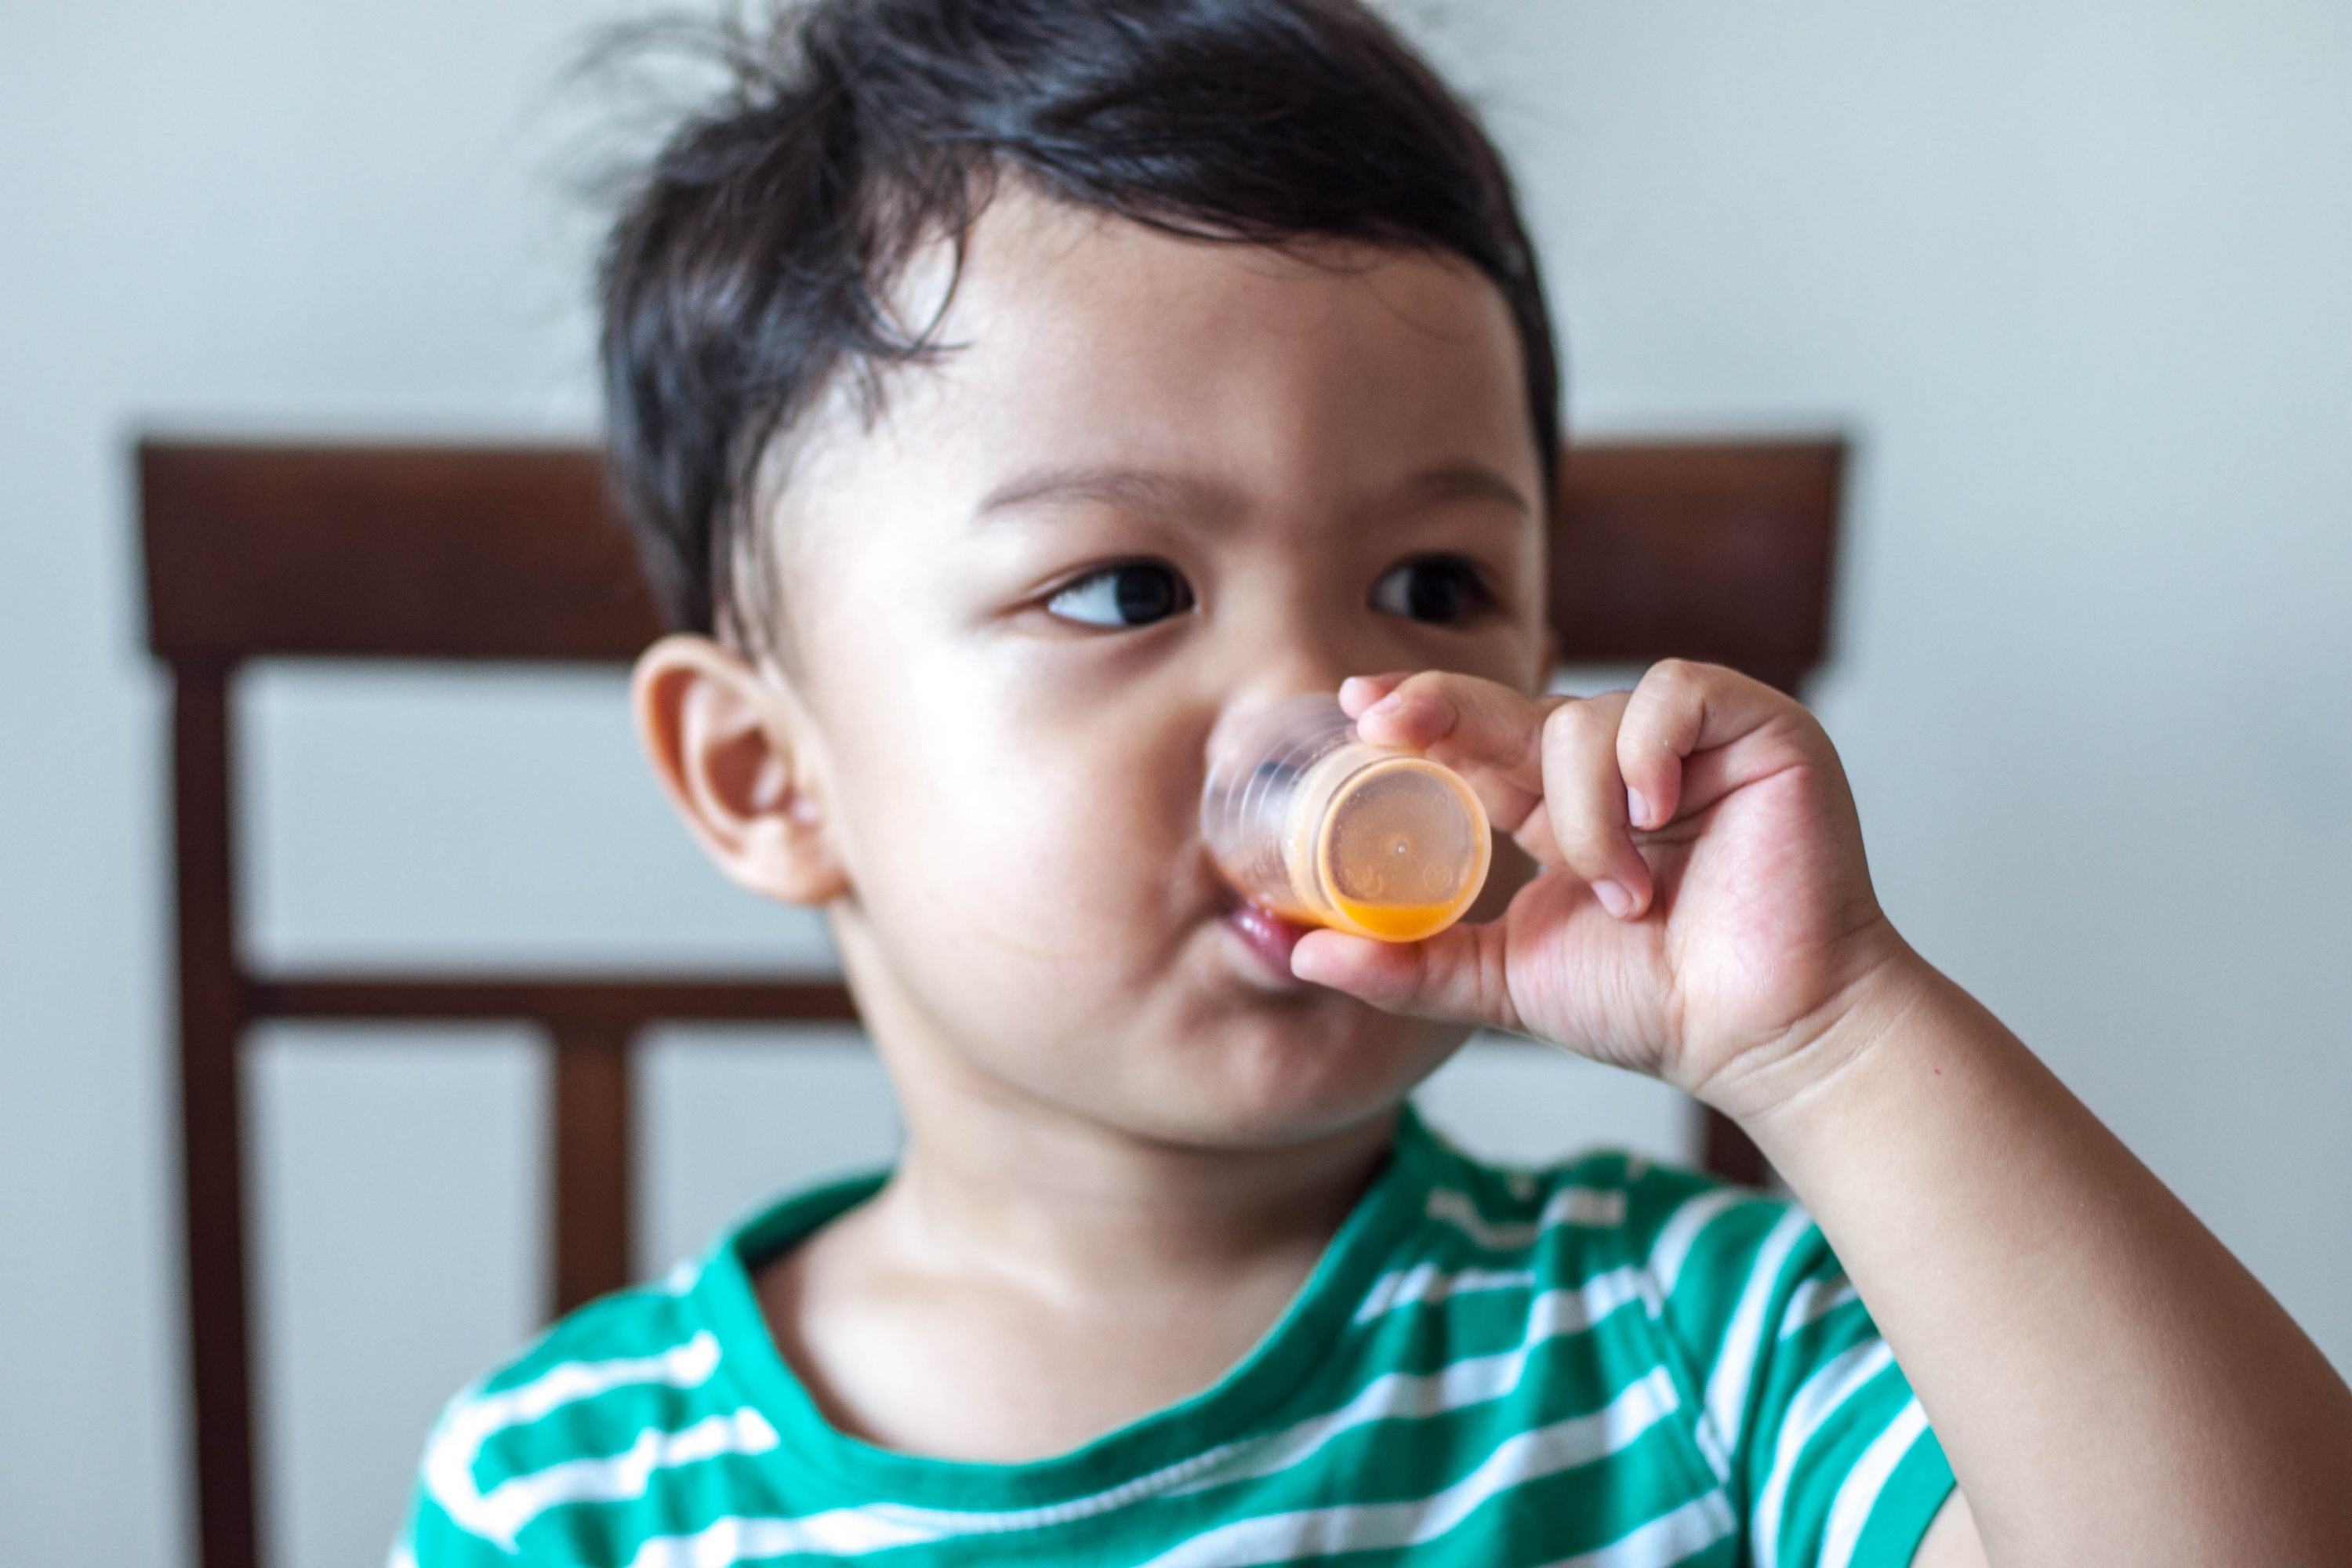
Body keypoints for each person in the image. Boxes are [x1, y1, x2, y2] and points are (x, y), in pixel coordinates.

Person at [396, 2, 2352, 1563]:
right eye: (1124, 587)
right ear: (766, 773)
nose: (1334, 707)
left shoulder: (1684, 1349)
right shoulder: (575, 1494)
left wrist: (1829, 1044)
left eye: (1436, 587)